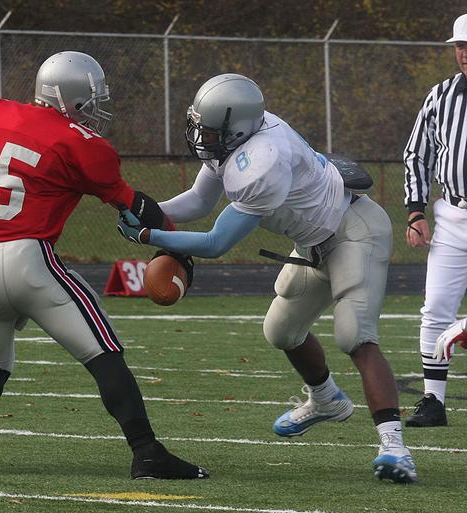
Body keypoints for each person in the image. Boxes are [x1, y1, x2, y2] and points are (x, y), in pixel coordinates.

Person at [117, 73, 416, 483]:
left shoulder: (263, 159)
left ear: (237, 128)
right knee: (281, 331)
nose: (201, 136)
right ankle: (326, 399)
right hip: (313, 242)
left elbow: (216, 241)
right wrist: (143, 209)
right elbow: (199, 201)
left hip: (353, 231)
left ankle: (395, 447)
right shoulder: (236, 140)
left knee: (355, 336)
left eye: (210, 130)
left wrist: (150, 234)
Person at [0, 50, 208, 480]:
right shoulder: (81, 142)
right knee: (103, 352)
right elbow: (133, 207)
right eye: (92, 101)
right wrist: (178, 248)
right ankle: (147, 451)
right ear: (69, 98)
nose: (96, 111)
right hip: (26, 258)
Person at [403, 13, 467, 428]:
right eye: (461, 47)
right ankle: (433, 401)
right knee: (436, 310)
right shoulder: (441, 95)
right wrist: (415, 210)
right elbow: (417, 153)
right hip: (453, 214)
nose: (464, 55)